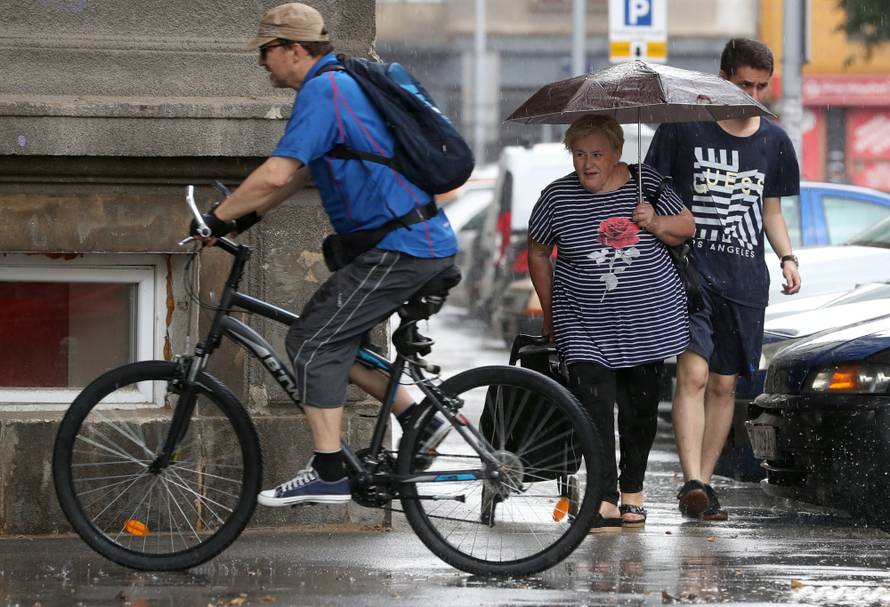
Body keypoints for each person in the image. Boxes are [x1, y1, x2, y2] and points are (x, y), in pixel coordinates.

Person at [192, 3, 458, 507]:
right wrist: (240, 217)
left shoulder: (325, 90)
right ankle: (419, 419)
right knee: (330, 342)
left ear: (295, 49)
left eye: (267, 51)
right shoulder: (334, 88)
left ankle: (329, 470)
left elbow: (274, 173)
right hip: (408, 244)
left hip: (403, 248)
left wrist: (217, 217)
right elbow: (292, 179)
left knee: (312, 342)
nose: (262, 62)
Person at [644, 38, 802, 521]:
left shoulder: (773, 140)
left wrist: (788, 258)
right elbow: (653, 186)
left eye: (760, 86)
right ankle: (691, 480)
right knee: (692, 373)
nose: (751, 93)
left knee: (724, 385)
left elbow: (770, 209)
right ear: (722, 76)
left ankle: (705, 483)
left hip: (745, 279)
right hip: (689, 275)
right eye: (742, 83)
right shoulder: (684, 127)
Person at [527, 114, 694, 529]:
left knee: (639, 410)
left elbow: (686, 228)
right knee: (595, 406)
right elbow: (537, 252)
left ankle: (632, 493)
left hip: (647, 321)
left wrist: (653, 220)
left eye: (597, 154)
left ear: (617, 153)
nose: (587, 164)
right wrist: (550, 312)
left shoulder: (646, 183)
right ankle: (603, 496)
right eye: (579, 154)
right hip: (582, 322)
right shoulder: (555, 198)